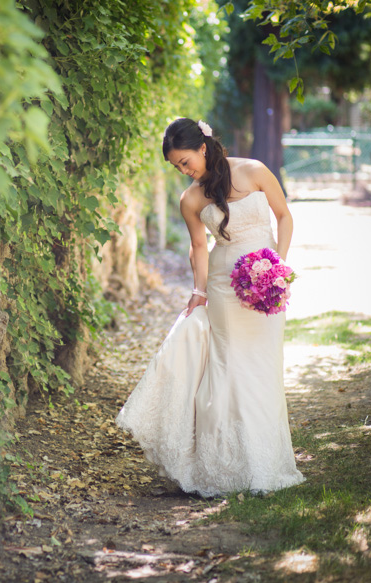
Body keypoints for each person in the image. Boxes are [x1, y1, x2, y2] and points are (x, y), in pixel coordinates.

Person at [115, 117, 305, 497]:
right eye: (176, 167)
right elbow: (200, 247)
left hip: (267, 283)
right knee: (228, 365)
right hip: (223, 286)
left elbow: (284, 216)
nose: (183, 171)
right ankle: (225, 465)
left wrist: (278, 267)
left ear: (203, 147)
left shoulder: (254, 171)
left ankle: (266, 460)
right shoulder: (191, 199)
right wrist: (199, 291)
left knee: (264, 366)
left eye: (185, 161)